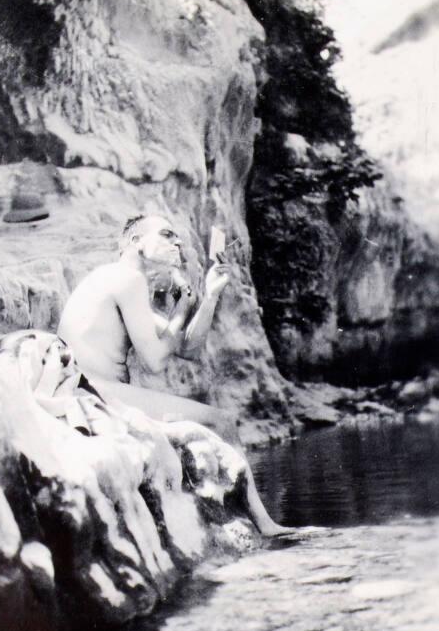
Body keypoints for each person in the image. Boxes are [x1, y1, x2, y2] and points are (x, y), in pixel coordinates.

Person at [58, 213, 288, 535]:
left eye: (177, 238)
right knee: (222, 422)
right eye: (167, 235)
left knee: (214, 424)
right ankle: (264, 523)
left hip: (99, 389)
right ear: (136, 242)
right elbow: (155, 360)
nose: (177, 243)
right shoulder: (126, 279)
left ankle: (248, 520)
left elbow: (187, 349)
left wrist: (209, 297)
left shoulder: (122, 281)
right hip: (95, 390)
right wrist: (180, 311)